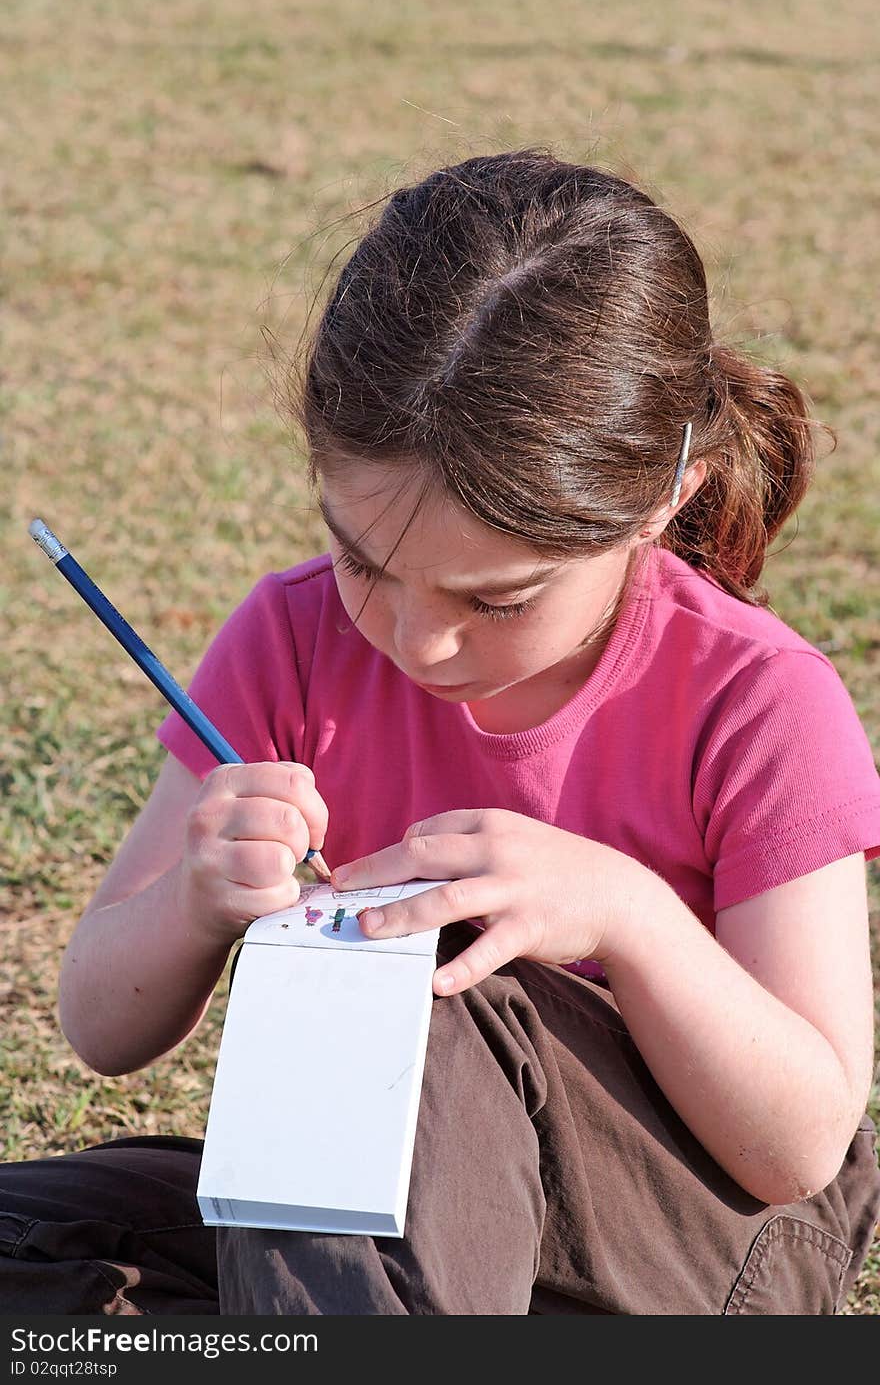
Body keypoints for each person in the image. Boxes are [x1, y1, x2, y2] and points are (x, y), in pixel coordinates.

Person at [3, 147, 880, 1316]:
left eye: (495, 599)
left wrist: (627, 915)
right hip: (376, 1222)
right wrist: (195, 897)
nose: (417, 643)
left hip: (703, 1243)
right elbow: (101, 1027)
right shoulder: (292, 639)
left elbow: (801, 1148)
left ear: (660, 498)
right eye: (365, 561)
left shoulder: (757, 698)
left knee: (430, 981)